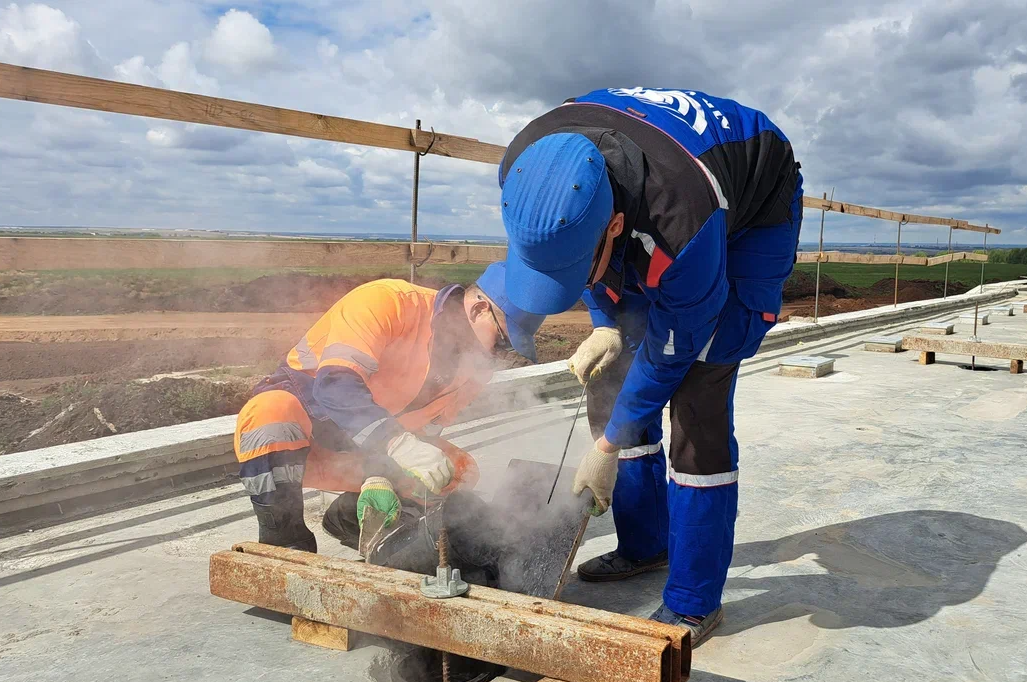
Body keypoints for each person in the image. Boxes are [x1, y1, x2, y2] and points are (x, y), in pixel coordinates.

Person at [497, 87, 803, 644]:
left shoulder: (682, 222)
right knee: (610, 379)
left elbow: (672, 348)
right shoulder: (526, 164)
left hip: (754, 199)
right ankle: (645, 547)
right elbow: (584, 259)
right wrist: (605, 324)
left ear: (614, 228)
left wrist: (607, 447)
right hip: (644, 196)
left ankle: (693, 602)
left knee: (698, 392)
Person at [233, 262, 543, 556]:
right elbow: (334, 385)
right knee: (270, 415)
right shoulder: (388, 302)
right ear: (478, 309)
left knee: (456, 470)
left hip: (360, 454)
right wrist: (397, 444)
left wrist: (379, 473)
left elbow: (423, 431)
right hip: (306, 443)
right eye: (502, 342)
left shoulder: (473, 370)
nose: (496, 354)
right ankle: (284, 542)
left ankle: (353, 517)